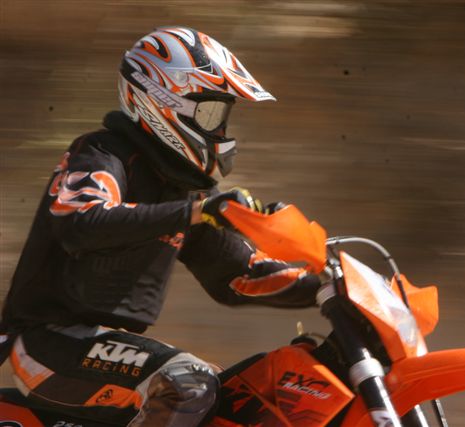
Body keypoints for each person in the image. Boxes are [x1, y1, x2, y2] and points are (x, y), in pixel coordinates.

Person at [0, 26, 320, 426]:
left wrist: (328, 286)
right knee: (189, 383)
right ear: (163, 102)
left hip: (108, 349)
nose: (220, 131)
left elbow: (237, 276)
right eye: (211, 114)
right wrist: (196, 212)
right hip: (48, 343)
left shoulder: (184, 191)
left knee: (237, 394)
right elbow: (82, 222)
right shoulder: (101, 153)